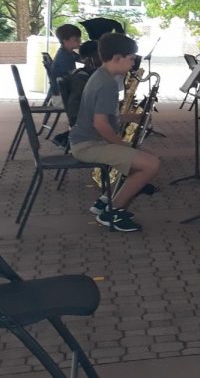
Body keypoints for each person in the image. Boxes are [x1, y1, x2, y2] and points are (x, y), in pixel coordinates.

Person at [69, 33, 160, 232]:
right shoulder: (107, 84)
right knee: (151, 164)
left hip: (86, 140)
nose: (133, 63)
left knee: (145, 158)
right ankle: (112, 212)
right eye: (131, 58)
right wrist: (121, 144)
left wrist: (133, 118)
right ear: (117, 58)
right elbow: (101, 124)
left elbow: (106, 116)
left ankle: (104, 201)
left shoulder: (101, 76)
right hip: (88, 145)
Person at [50, 24, 82, 103]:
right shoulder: (64, 57)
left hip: (60, 93)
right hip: (60, 97)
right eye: (76, 39)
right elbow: (71, 77)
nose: (79, 41)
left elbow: (82, 58)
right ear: (65, 41)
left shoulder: (68, 53)